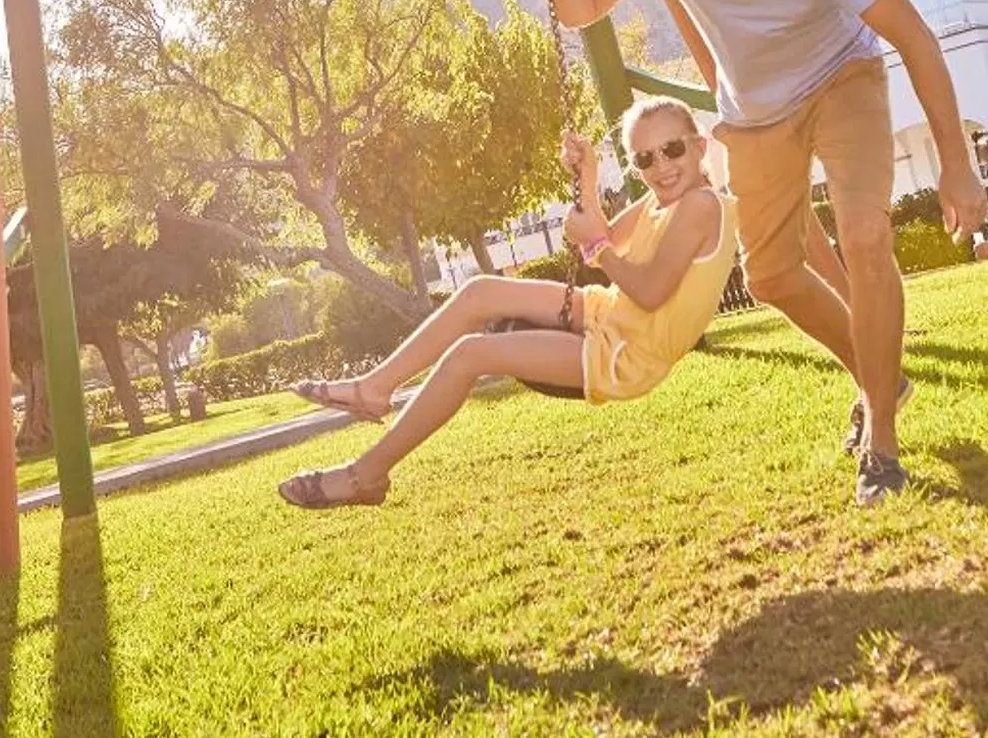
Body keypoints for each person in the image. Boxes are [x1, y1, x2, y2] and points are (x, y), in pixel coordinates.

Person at [520, 0, 983, 507]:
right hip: (756, 113)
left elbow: (915, 40)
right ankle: (879, 373)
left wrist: (957, 166)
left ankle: (882, 445)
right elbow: (582, 4)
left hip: (842, 77)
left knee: (864, 235)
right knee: (770, 278)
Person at [276, 99, 739, 509]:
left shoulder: (701, 205)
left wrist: (596, 246)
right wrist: (589, 175)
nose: (661, 166)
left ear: (698, 146)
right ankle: (374, 389)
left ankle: (364, 475)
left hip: (628, 353)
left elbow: (649, 287)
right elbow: (603, 238)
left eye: (672, 149)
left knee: (470, 354)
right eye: (645, 158)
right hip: (607, 313)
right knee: (480, 292)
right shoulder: (659, 202)